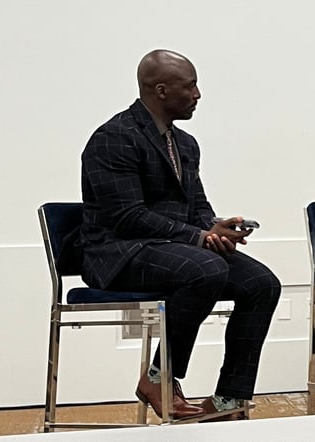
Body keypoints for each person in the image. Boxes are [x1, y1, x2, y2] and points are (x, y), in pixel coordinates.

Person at [79, 49, 281, 420]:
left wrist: (216, 231)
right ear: (161, 90)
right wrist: (198, 238)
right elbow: (127, 217)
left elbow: (197, 206)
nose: (197, 94)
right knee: (206, 269)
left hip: (172, 250)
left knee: (262, 283)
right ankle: (159, 377)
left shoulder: (185, 144)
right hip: (118, 252)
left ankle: (229, 401)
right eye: (190, 86)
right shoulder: (114, 138)